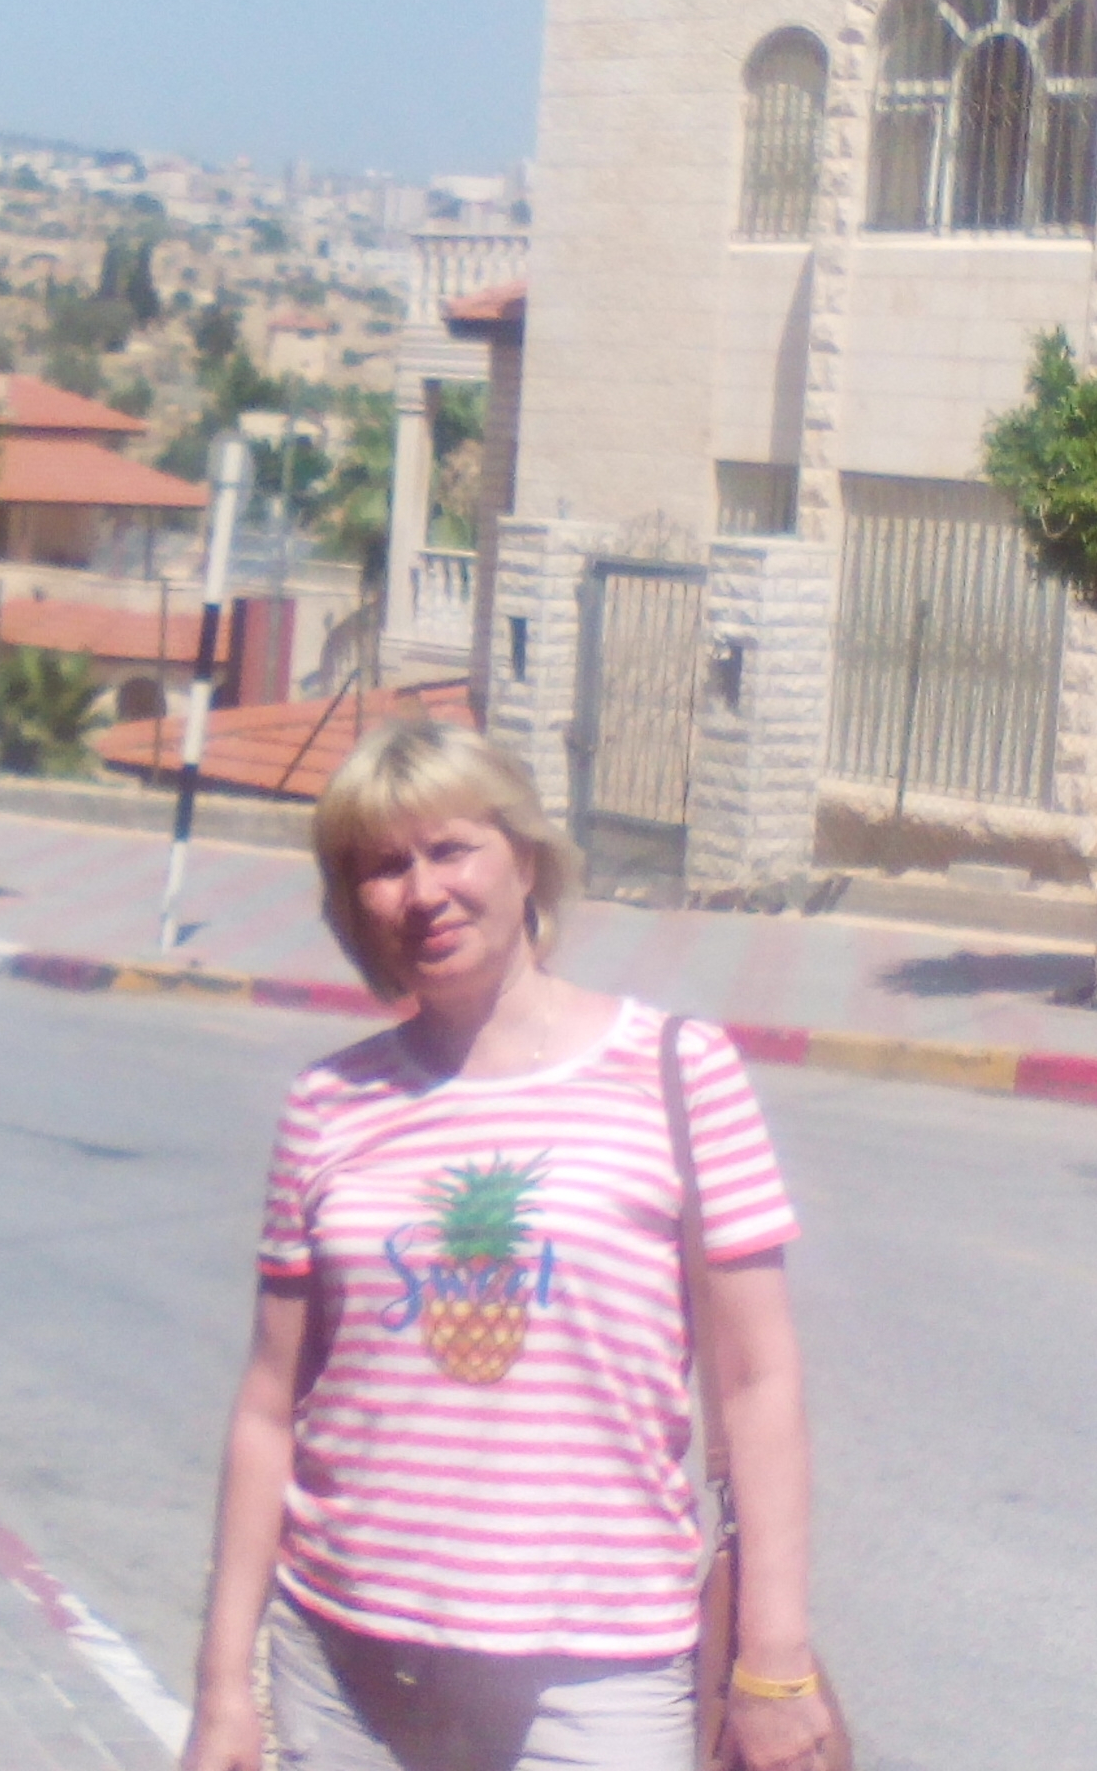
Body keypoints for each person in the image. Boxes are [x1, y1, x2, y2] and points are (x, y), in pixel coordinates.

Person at [181, 718, 837, 1771]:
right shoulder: (327, 1105)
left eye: (451, 849)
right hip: (346, 1667)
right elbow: (268, 1407)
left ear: (524, 860)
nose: (422, 892)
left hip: (599, 1676)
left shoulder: (679, 1072)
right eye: (382, 868)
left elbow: (760, 1382)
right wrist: (222, 1690)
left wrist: (775, 1659)